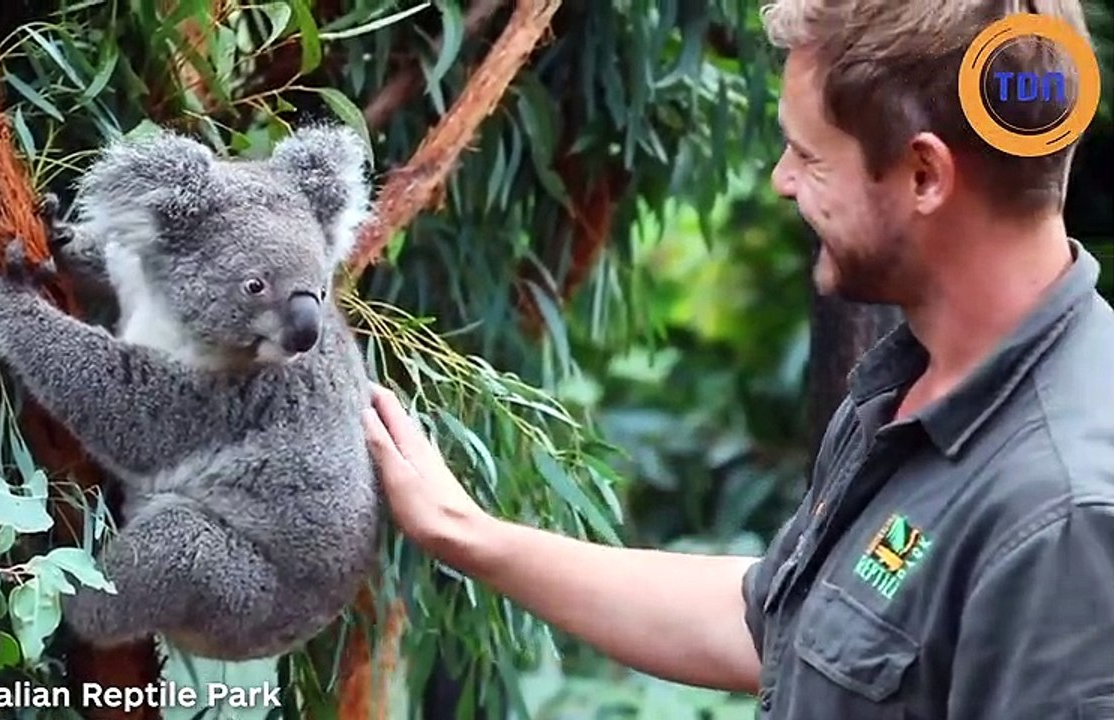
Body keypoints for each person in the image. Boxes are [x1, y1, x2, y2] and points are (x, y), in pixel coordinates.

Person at [360, 0, 1114, 716]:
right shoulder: (920, 382)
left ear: (925, 176)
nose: (783, 181)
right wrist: (466, 531)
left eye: (810, 156)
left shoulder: (1062, 520)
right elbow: (771, 622)